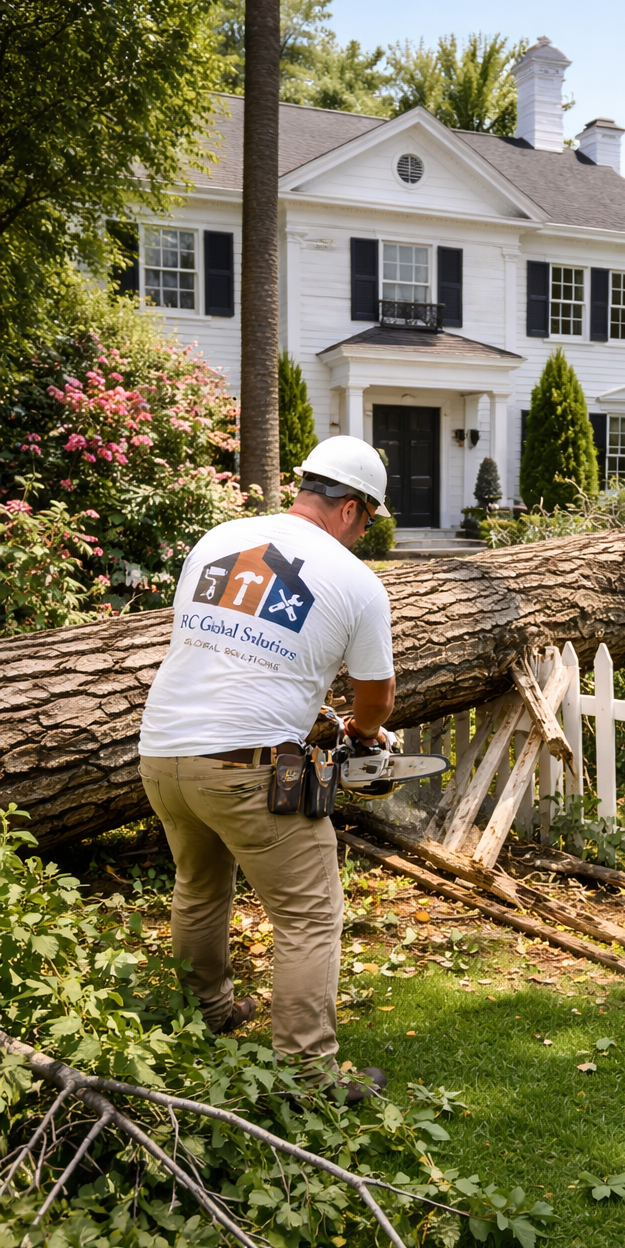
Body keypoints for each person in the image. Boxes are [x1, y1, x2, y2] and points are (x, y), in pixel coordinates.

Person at [138, 435, 396, 1101]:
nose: (364, 534)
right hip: (243, 768)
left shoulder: (219, 539)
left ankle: (207, 1015)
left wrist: (317, 720)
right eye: (368, 521)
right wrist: (362, 734)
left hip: (164, 753)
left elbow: (224, 658)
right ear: (353, 509)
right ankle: (306, 1078)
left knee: (199, 887)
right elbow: (377, 699)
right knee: (309, 917)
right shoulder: (355, 581)